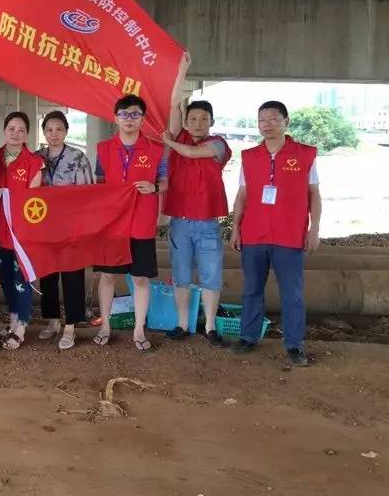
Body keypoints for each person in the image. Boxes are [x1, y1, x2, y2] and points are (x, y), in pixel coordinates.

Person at [229, 101, 321, 367]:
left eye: (273, 119)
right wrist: (236, 227)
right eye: (262, 120)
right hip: (254, 233)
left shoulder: (305, 155)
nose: (267, 125)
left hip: (289, 234)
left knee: (292, 293)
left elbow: (314, 195)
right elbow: (242, 196)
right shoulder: (249, 156)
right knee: (251, 290)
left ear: (286, 121)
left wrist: (313, 229)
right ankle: (248, 336)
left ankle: (294, 344)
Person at [94, 95, 167, 351]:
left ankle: (138, 329)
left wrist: (155, 187)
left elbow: (165, 181)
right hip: (112, 223)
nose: (129, 119)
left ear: (142, 119)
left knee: (140, 279)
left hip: (141, 222)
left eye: (135, 114)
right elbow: (98, 183)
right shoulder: (102, 149)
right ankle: (105, 325)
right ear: (115, 118)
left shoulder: (156, 150)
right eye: (124, 114)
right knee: (108, 276)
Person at [162, 100, 231, 346]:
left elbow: (191, 152)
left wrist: (168, 142)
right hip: (180, 222)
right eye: (192, 118)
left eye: (204, 118)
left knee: (210, 276)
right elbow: (172, 107)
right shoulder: (180, 137)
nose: (198, 123)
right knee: (181, 275)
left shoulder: (219, 145)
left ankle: (210, 326)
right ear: (185, 121)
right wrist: (181, 70)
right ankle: (182, 324)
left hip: (208, 223)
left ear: (211, 121)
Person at [34, 111, 93, 350]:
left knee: (72, 275)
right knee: (47, 275)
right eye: (49, 130)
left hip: (71, 226)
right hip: (44, 226)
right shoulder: (37, 157)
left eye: (58, 129)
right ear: (44, 132)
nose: (54, 134)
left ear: (66, 131)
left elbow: (86, 193)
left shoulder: (77, 157)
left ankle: (70, 326)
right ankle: (52, 321)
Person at [0, 111, 43, 350]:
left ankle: (21, 328)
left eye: (21, 130)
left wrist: (7, 194)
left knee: (21, 279)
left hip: (20, 234)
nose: (16, 134)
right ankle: (12, 323)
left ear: (27, 134)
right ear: (4, 130)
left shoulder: (34, 162)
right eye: (11, 129)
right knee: (6, 278)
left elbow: (33, 199)